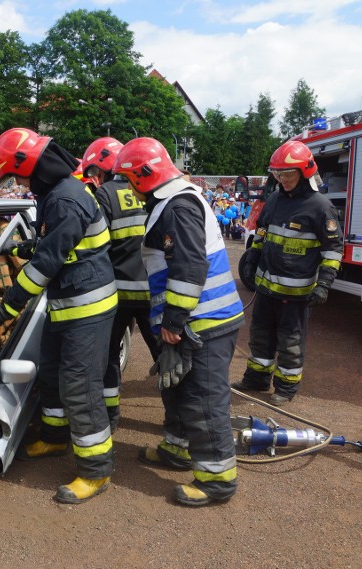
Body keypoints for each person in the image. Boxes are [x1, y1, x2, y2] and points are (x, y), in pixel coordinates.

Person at [0, 128, 117, 504]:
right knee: (52, 373)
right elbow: (57, 245)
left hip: (87, 306)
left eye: (16, 176)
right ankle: (56, 438)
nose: (19, 184)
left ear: (32, 167)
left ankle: (96, 471)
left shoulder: (65, 199)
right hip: (69, 302)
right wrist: (31, 245)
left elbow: (47, 264)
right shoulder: (56, 194)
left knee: (80, 385)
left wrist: (8, 306)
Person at [113, 137, 244, 507]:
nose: (128, 187)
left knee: (204, 399)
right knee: (179, 389)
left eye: (128, 179)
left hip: (203, 321)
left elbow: (189, 266)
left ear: (142, 177)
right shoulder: (174, 200)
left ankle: (217, 480)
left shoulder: (177, 206)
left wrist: (173, 321)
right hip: (198, 318)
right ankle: (178, 449)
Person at [231, 140, 344, 405]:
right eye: (277, 173)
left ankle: (286, 387)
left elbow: (333, 249)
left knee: (290, 341)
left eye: (288, 173)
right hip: (266, 288)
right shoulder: (274, 199)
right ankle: (256, 379)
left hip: (296, 292)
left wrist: (324, 284)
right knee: (260, 335)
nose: (282, 179)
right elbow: (262, 230)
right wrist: (253, 256)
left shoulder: (320, 206)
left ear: (304, 171)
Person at [81, 136, 159, 431]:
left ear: (103, 169)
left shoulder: (104, 196)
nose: (94, 179)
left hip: (118, 294)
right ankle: (178, 421)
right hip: (153, 292)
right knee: (166, 356)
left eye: (94, 173)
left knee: (109, 356)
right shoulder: (148, 190)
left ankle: (111, 417)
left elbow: (97, 247)